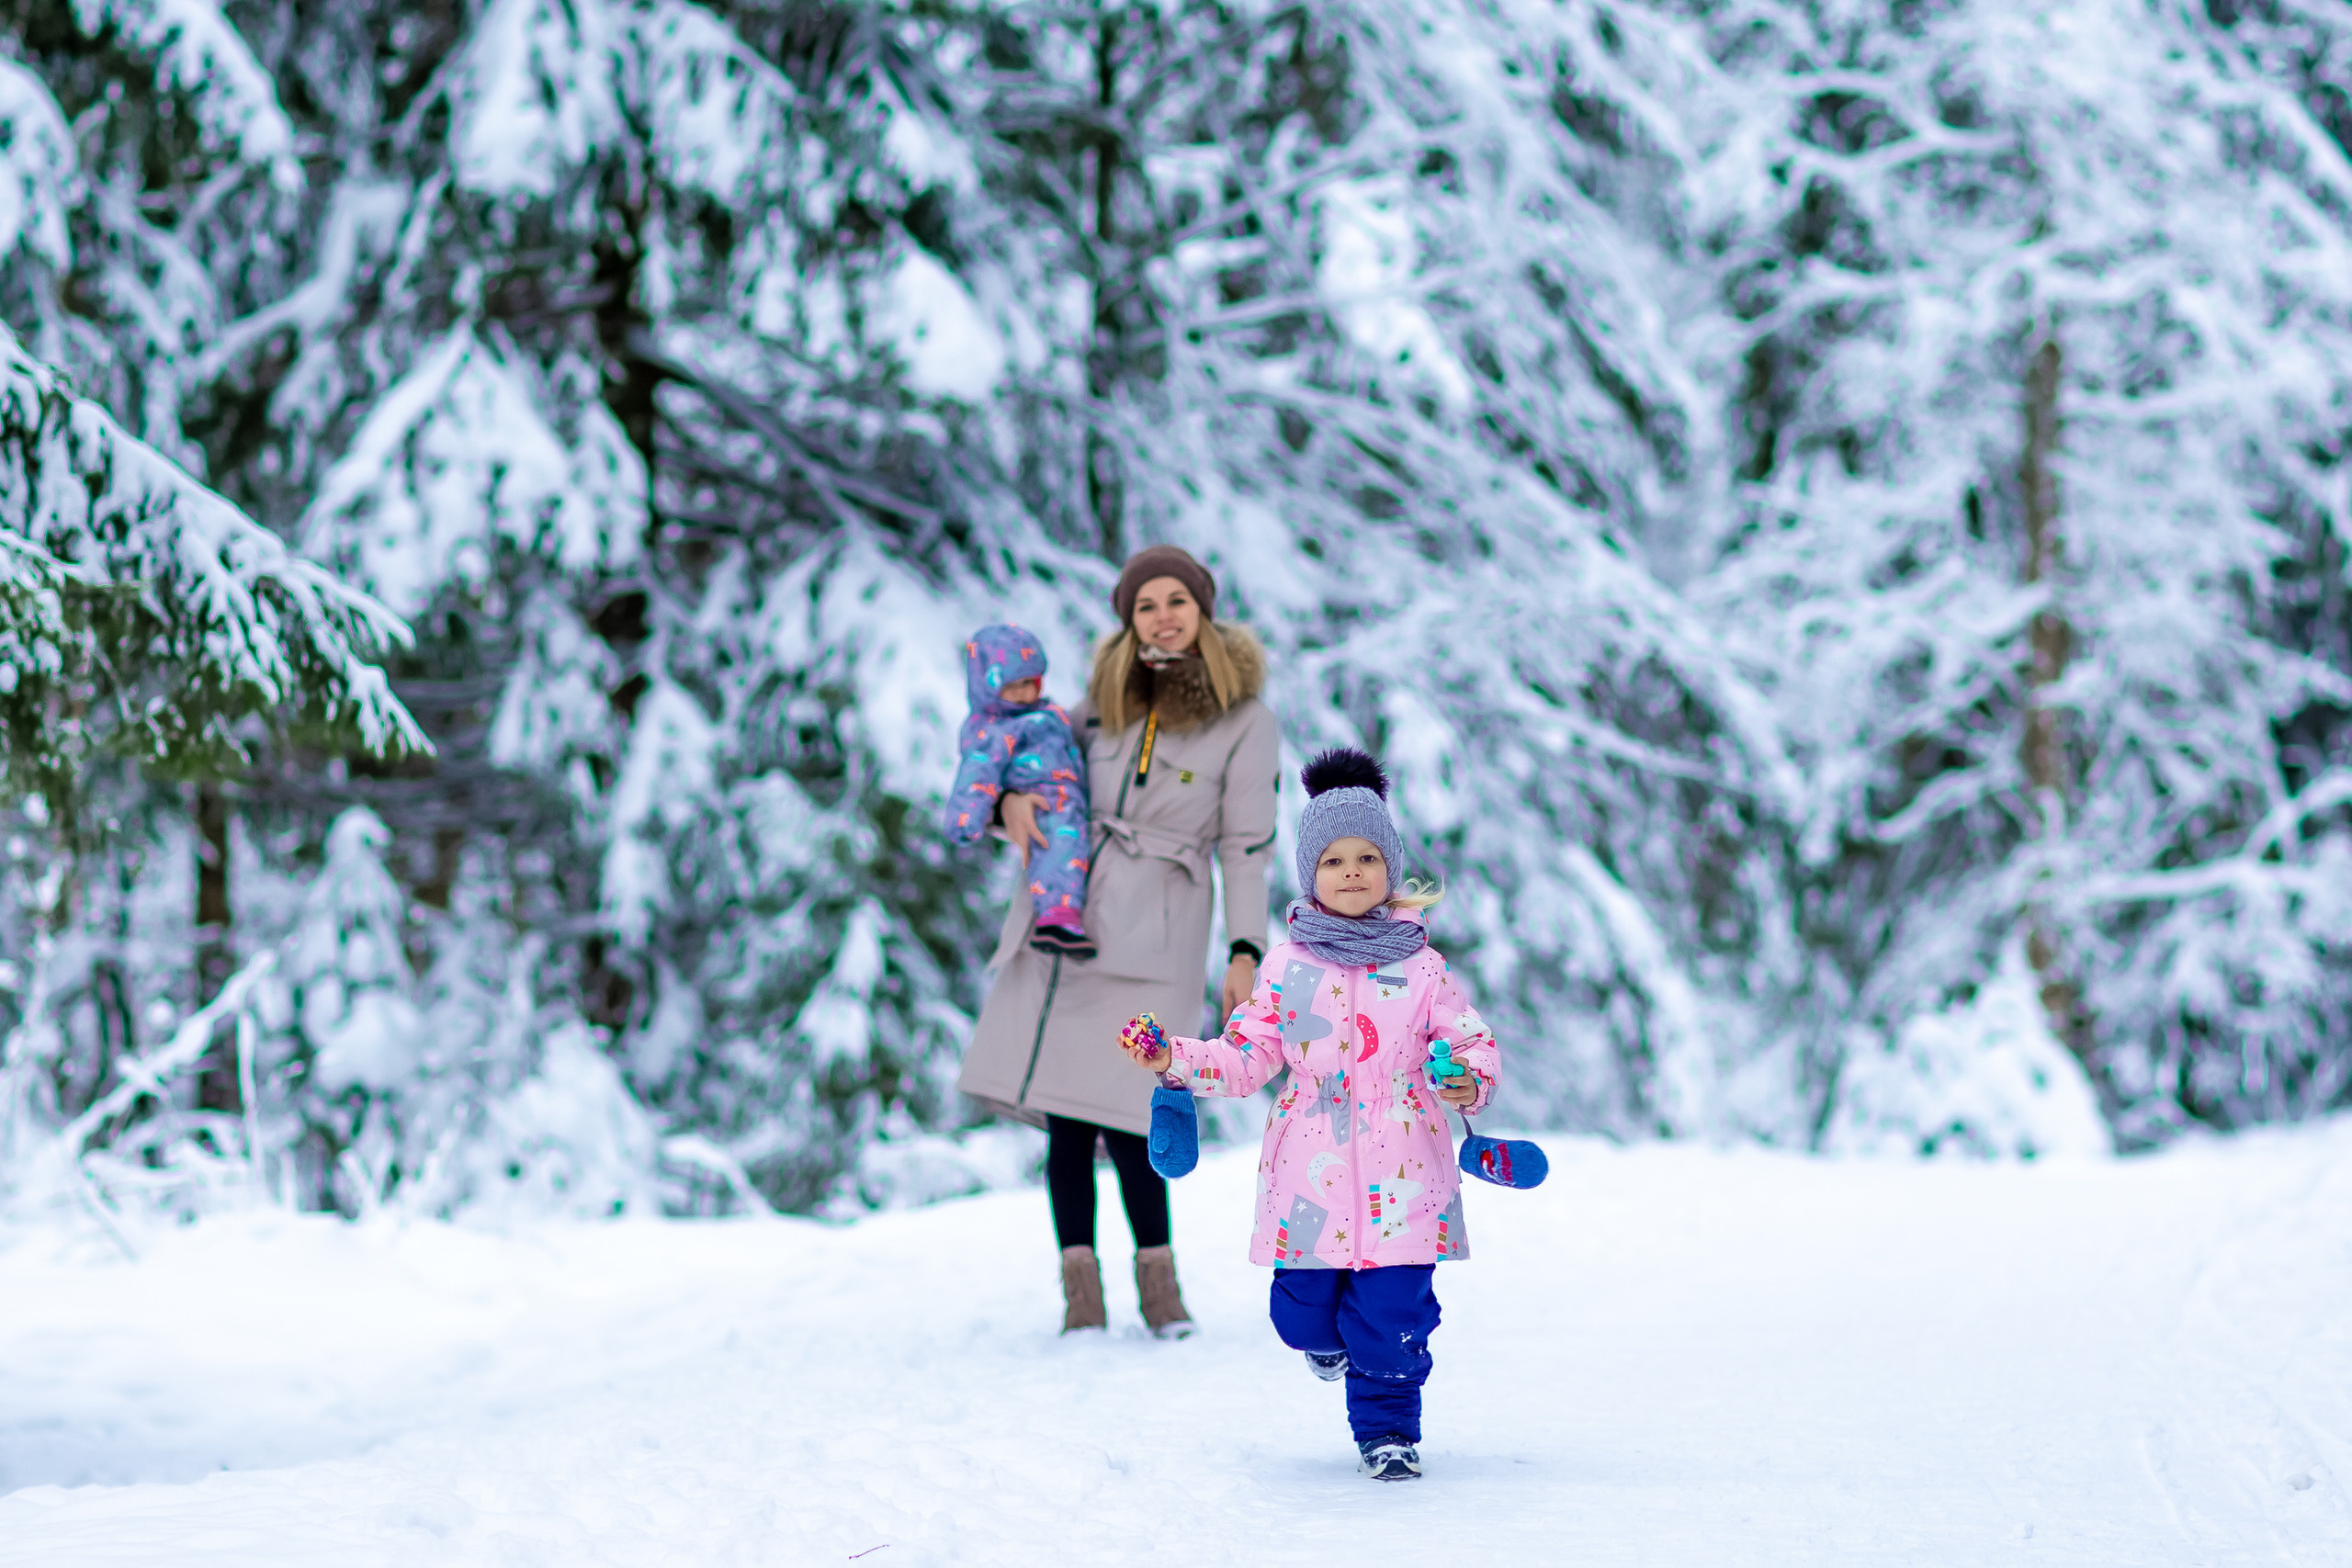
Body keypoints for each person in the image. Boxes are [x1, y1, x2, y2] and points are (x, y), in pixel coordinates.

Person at [1115, 747, 1499, 1483]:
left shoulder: (1421, 965)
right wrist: (1175, 1061)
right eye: (1332, 860)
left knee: (1392, 1315)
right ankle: (1325, 1340)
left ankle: (1389, 1433)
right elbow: (1247, 1054)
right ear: (1309, 873)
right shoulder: (1287, 965)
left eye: (1366, 857)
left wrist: (1466, 1079)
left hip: (1407, 1168)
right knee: (1301, 1313)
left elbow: (1469, 1039)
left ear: (1390, 868)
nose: (1351, 871)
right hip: (1308, 1178)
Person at [957, 545, 1278, 1338]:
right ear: (1129, 619)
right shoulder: (1098, 701)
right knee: (1068, 1119)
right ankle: (1081, 1294)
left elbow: (1247, 844)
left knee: (1139, 1107)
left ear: (1202, 609)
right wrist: (1003, 809)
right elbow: (1015, 755)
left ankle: (1160, 1289)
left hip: (1164, 925)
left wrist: (1246, 949)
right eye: (1145, 605)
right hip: (1073, 923)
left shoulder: (1245, 718)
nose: (1162, 615)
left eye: (1176, 600)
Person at [943, 625, 1095, 958]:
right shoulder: (995, 729)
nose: (1025, 694)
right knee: (1059, 851)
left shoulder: (1046, 713)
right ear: (989, 689)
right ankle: (1057, 916)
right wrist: (966, 817)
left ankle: (1061, 915)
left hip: (1066, 796)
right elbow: (977, 774)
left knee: (1069, 847)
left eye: (1029, 683)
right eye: (1013, 688)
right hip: (1042, 799)